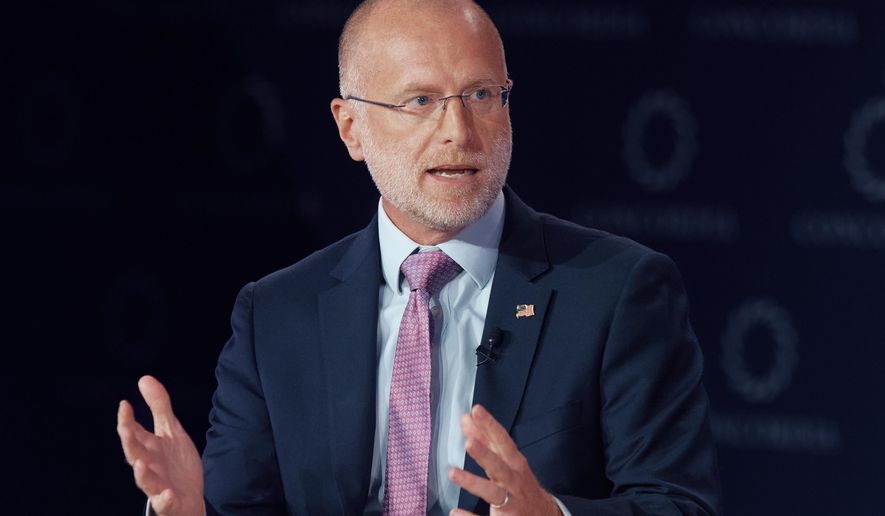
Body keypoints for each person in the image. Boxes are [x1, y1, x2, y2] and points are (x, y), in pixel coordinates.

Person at [116, 0, 722, 514]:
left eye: (482, 94)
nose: (459, 130)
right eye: (420, 101)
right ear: (351, 128)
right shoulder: (276, 314)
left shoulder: (618, 292)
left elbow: (678, 503)